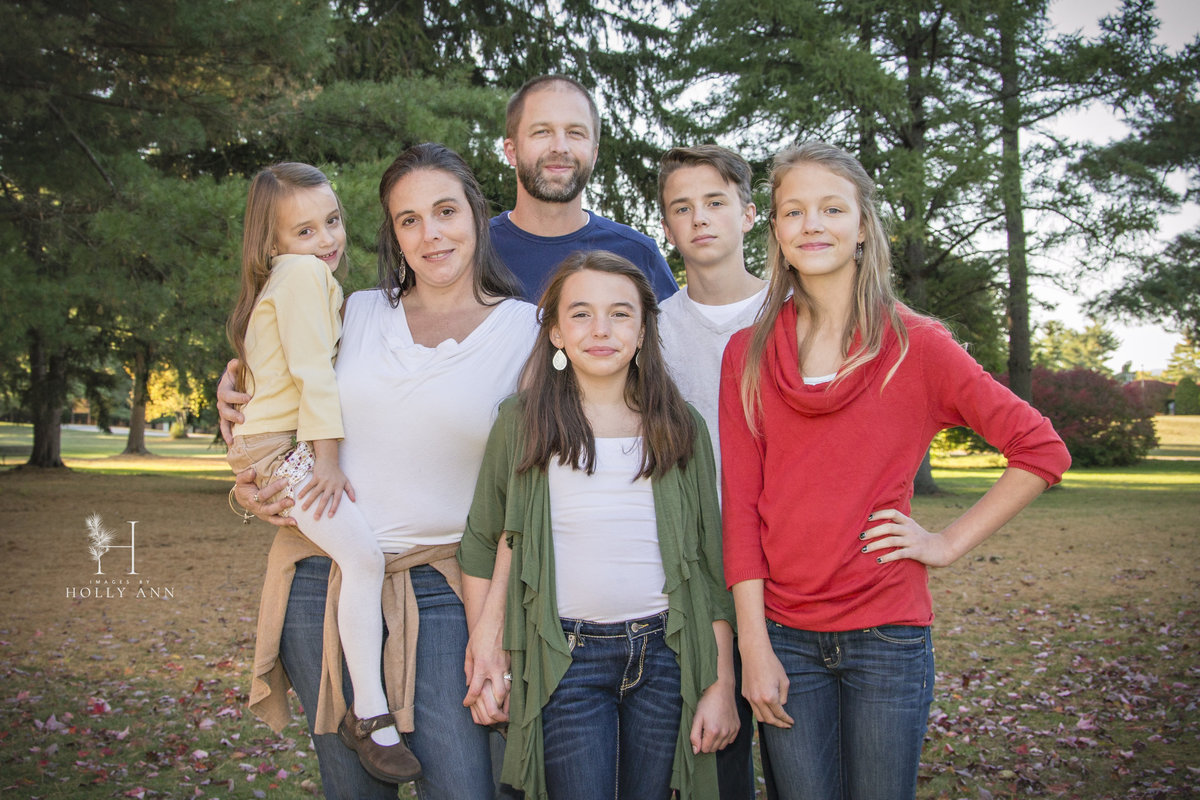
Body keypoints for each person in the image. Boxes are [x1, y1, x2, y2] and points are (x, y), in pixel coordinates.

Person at [719, 141, 1072, 800]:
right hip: (786, 638)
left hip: (886, 634)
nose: (812, 224)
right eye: (793, 212)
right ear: (775, 231)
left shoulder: (917, 346)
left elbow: (1040, 449)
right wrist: (754, 647)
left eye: (831, 208)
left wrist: (944, 543)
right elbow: (739, 509)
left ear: (861, 227)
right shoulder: (747, 353)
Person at [219, 143, 536, 800]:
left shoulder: (530, 331)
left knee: (466, 787)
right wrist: (237, 416)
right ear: (392, 233)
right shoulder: (355, 310)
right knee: (352, 789)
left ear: (477, 213)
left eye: (445, 211)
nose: (430, 233)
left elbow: (538, 491)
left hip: (451, 594)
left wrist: (496, 626)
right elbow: (278, 381)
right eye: (408, 219)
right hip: (322, 583)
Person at [459, 251, 738, 800]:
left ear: (642, 331)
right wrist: (487, 647)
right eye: (581, 314)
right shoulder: (524, 421)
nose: (601, 330)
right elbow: (481, 542)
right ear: (557, 332)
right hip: (564, 656)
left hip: (665, 655)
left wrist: (721, 682)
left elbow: (709, 566)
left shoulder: (681, 428)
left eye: (620, 314)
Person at [224, 162, 419, 784]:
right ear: (274, 243)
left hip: (272, 441)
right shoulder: (304, 276)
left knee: (357, 557)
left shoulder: (289, 278)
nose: (327, 239)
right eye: (305, 230)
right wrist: (326, 461)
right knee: (363, 560)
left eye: (332, 221)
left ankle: (369, 709)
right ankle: (371, 714)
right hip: (285, 447)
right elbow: (313, 377)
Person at [656, 144, 769, 800]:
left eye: (715, 203)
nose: (700, 219)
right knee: (709, 768)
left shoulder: (792, 316)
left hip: (788, 577)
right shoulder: (653, 332)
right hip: (693, 579)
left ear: (749, 214)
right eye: (681, 208)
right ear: (667, 230)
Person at [492, 74, 679, 303]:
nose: (560, 147)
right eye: (542, 131)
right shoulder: (472, 253)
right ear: (511, 151)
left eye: (575, 133)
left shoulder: (638, 255)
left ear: (594, 154)